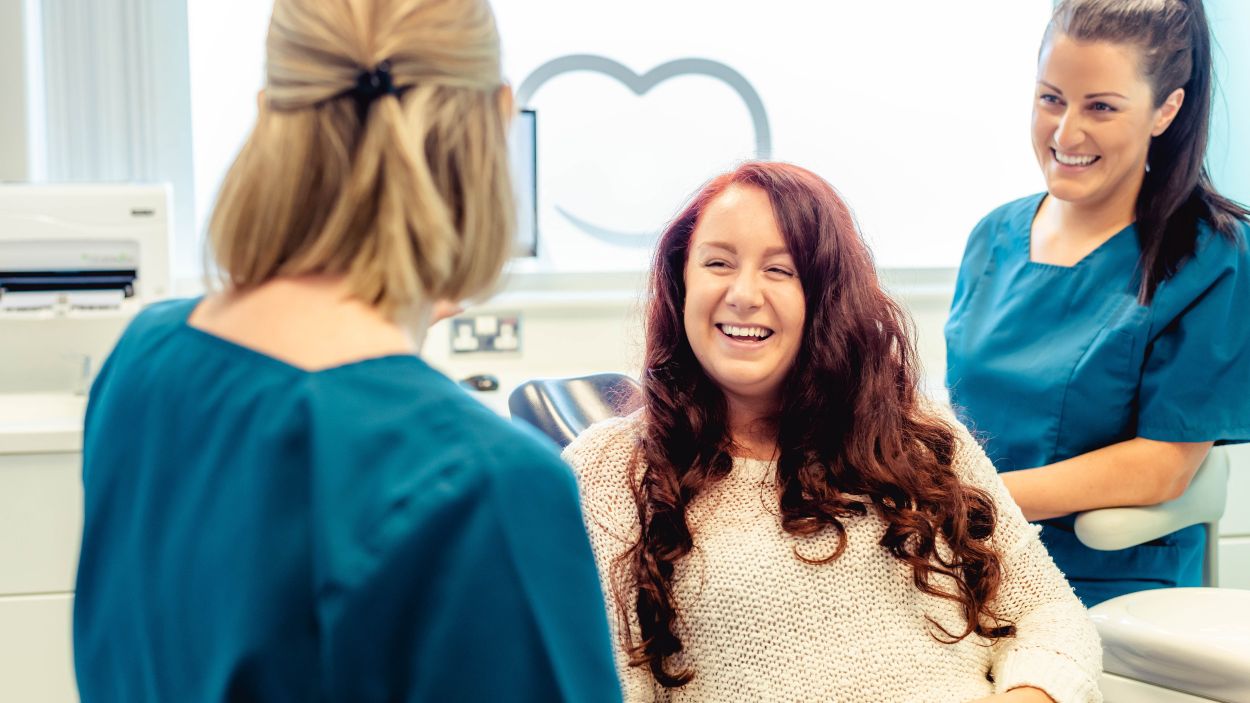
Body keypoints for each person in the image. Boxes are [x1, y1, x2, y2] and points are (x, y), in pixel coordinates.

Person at [73, 1, 621, 701]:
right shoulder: (487, 485)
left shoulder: (143, 363)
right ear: (496, 119)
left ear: (273, 111)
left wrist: (408, 312)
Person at [564, 162, 1101, 703]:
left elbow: (1047, 612)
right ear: (681, 282)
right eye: (718, 263)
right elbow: (611, 686)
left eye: (781, 270)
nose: (744, 294)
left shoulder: (921, 437)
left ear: (826, 297)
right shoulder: (612, 471)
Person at [945, 0, 1250, 607]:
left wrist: (976, 500)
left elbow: (1164, 466)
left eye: (1101, 107)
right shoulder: (993, 236)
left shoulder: (1213, 257)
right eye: (1051, 98)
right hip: (963, 563)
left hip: (1106, 582)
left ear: (1167, 109)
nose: (1065, 134)